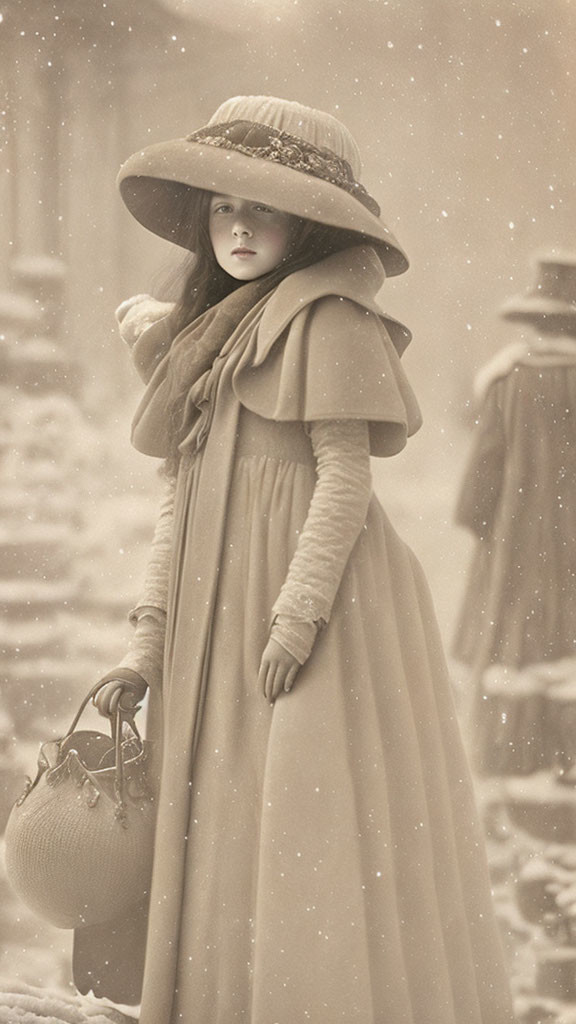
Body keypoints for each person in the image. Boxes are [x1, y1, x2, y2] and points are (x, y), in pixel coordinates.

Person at [76, 96, 515, 1024]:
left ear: (305, 225)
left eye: (263, 209)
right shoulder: (210, 337)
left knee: (303, 825)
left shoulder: (329, 322)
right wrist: (145, 646)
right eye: (225, 207)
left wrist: (297, 613)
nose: (239, 227)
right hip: (210, 610)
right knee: (223, 818)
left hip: (316, 610)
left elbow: (344, 481)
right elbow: (177, 499)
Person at [453, 253, 576, 774]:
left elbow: (478, 492)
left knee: (512, 647)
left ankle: (514, 763)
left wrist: (494, 527)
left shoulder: (507, 384)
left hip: (515, 551)